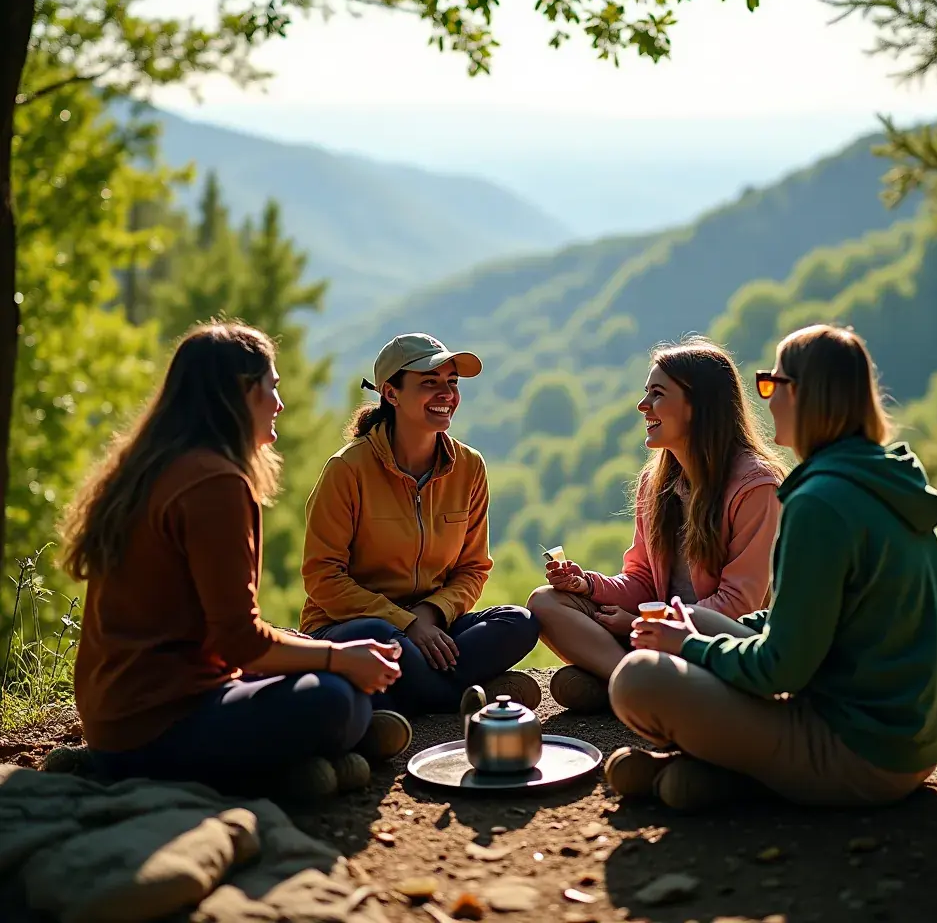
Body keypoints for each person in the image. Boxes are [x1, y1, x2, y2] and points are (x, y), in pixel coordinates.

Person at [606, 324, 937, 812]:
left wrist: (685, 646)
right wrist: (694, 631)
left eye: (773, 384)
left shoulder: (820, 502)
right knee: (705, 620)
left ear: (809, 396)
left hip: (861, 752)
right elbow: (810, 620)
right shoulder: (883, 479)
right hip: (909, 740)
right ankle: (719, 776)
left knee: (638, 679)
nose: (766, 399)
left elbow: (782, 669)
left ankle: (745, 778)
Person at [64, 322, 411, 799]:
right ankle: (294, 760)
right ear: (241, 392)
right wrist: (335, 660)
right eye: (272, 387)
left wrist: (331, 653)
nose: (279, 404)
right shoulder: (214, 485)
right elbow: (239, 641)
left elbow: (217, 632)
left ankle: (311, 751)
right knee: (338, 698)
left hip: (120, 715)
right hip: (157, 725)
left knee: (359, 637)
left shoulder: (154, 466)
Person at [528, 337, 785, 713]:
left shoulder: (757, 486)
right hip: (656, 633)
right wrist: (588, 584)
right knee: (544, 602)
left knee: (695, 618)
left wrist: (640, 624)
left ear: (698, 406)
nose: (642, 405)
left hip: (719, 643)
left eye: (657, 394)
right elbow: (642, 581)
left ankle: (623, 682)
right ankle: (635, 680)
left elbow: (737, 605)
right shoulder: (657, 481)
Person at [300, 333, 541, 714]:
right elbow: (322, 578)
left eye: (452, 383)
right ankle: (461, 696)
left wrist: (427, 616)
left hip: (433, 627)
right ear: (391, 394)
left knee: (520, 622)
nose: (446, 394)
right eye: (429, 383)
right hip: (353, 628)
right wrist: (404, 623)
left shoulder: (470, 467)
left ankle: (394, 700)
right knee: (377, 635)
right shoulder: (347, 470)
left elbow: (473, 569)